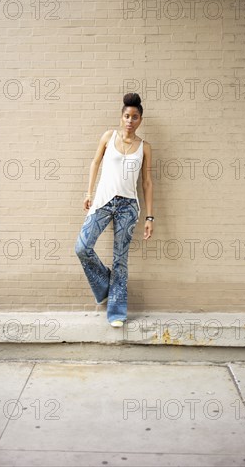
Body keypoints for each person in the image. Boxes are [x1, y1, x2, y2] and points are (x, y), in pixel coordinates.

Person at [74, 93, 154, 327]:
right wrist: (89, 193)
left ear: (140, 119)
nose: (130, 120)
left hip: (128, 206)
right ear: (121, 117)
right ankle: (105, 285)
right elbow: (95, 163)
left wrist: (150, 216)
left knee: (121, 259)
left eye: (135, 117)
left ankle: (117, 312)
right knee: (82, 247)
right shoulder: (108, 137)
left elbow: (147, 183)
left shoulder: (145, 147)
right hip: (103, 202)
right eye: (127, 116)